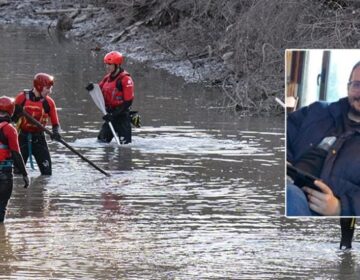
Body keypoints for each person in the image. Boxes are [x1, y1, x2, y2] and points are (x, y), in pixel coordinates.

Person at [287, 61, 360, 216]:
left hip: (318, 214)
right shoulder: (317, 111)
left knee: (289, 195)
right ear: (348, 88)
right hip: (285, 182)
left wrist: (341, 208)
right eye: (357, 85)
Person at [12, 73, 61, 175]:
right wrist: (16, 114)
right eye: (47, 88)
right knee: (17, 174)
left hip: (39, 139)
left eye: (50, 88)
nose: (50, 91)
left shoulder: (49, 103)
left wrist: (56, 132)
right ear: (39, 86)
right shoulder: (21, 98)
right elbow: (11, 119)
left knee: (47, 174)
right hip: (22, 138)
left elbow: (55, 123)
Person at [86, 51, 134, 144]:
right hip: (110, 116)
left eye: (110, 64)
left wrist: (113, 115)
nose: (107, 67)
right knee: (101, 142)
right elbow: (98, 91)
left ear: (117, 65)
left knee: (125, 146)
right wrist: (92, 87)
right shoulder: (107, 78)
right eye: (106, 64)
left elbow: (128, 102)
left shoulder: (126, 79)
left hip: (122, 116)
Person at [0, 96, 30, 222]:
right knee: (1, 210)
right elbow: (16, 154)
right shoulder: (9, 129)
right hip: (4, 175)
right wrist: (24, 174)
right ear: (11, 111)